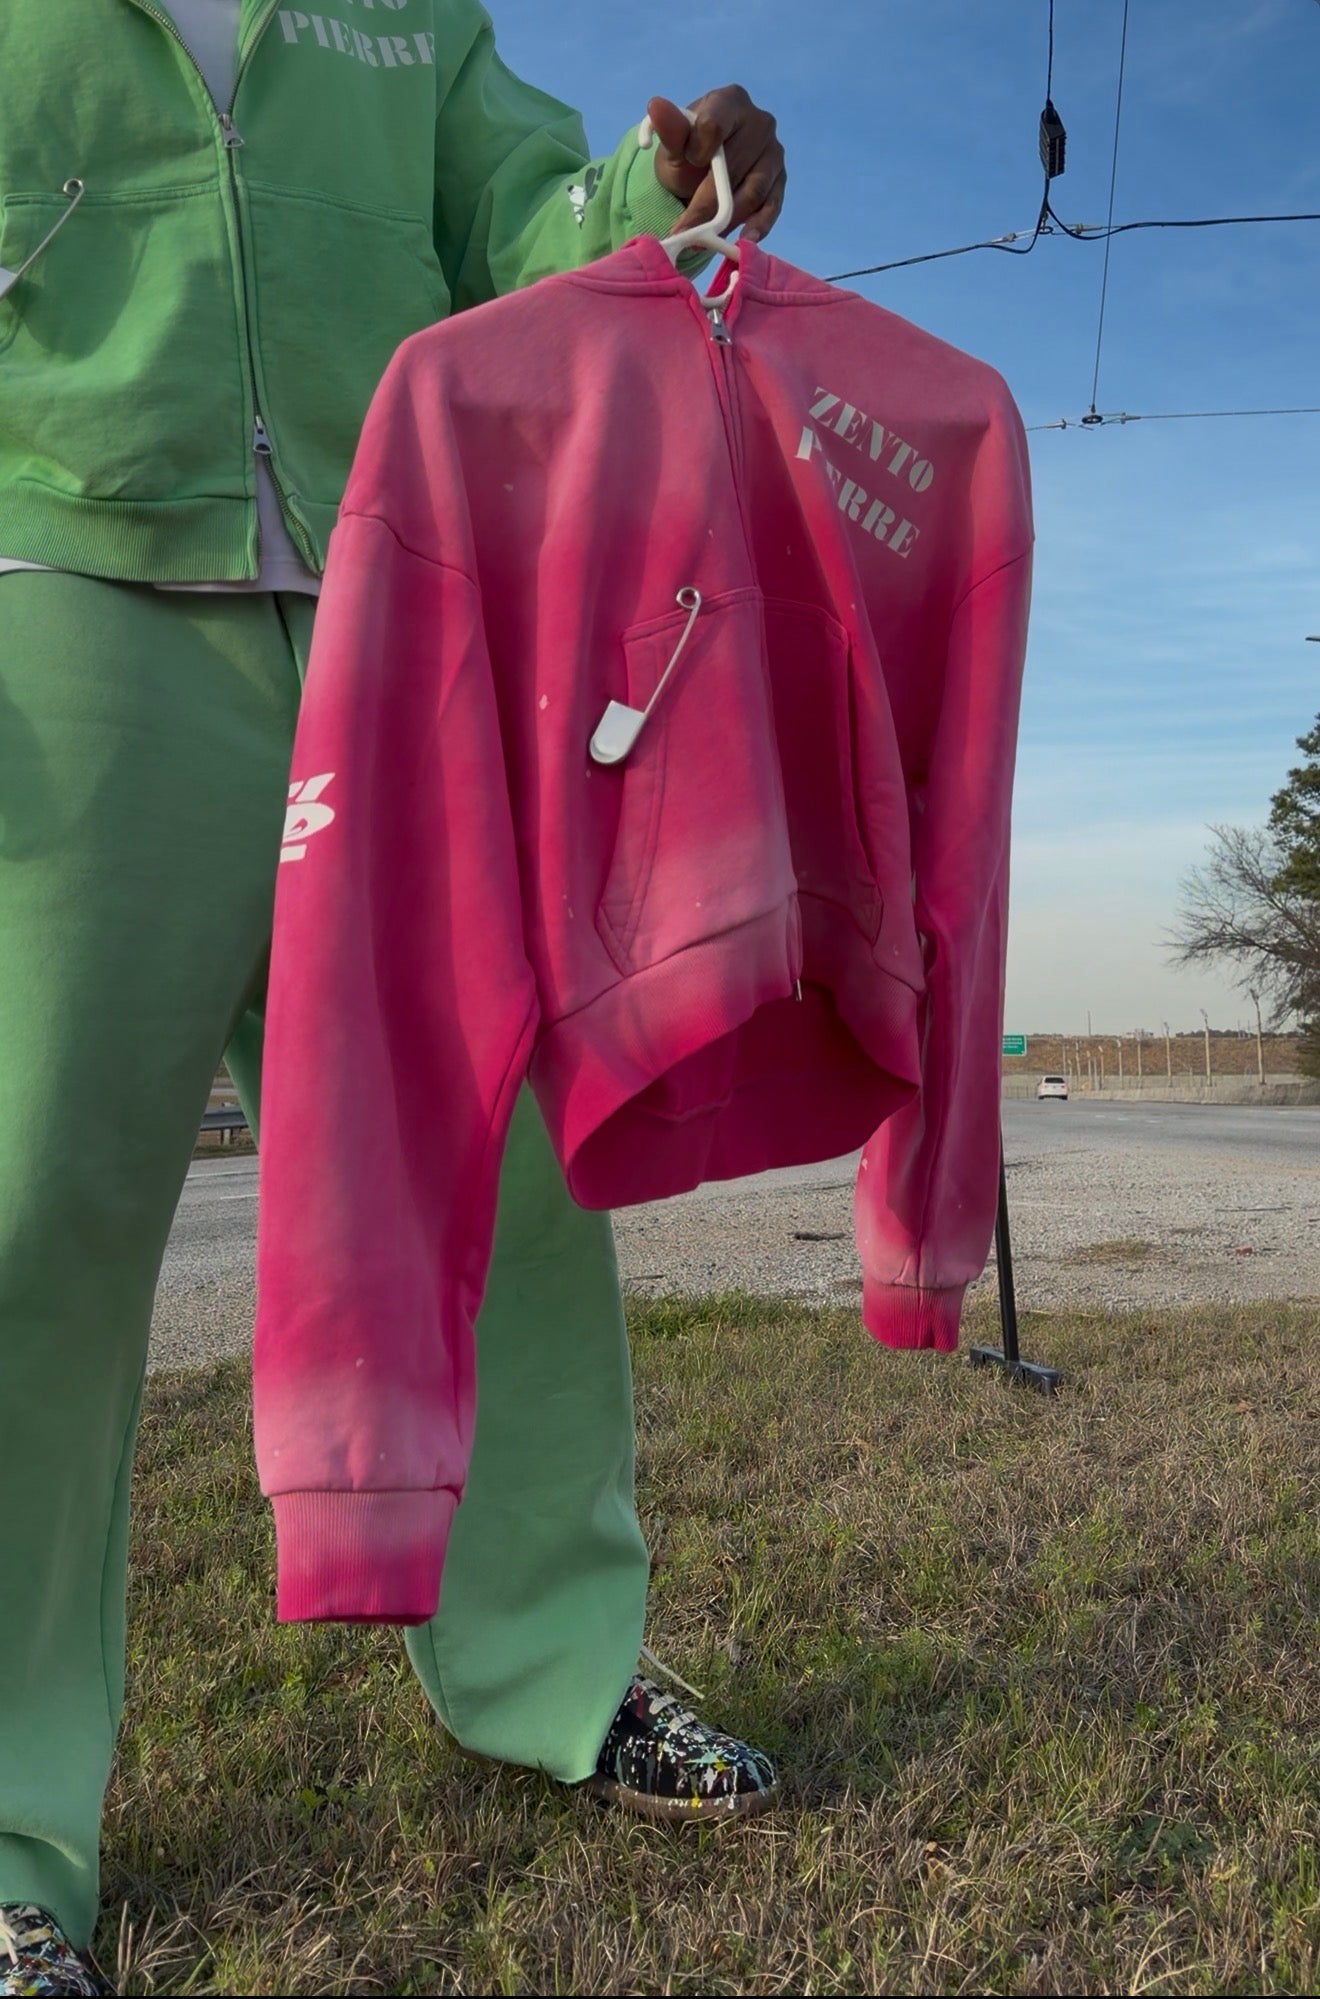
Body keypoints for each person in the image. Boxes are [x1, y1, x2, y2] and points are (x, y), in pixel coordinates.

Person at [0, 4, 785, 1991]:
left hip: (389, 582)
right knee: (39, 1209)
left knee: (502, 1157)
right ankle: (13, 1822)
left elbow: (520, 217)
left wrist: (646, 192)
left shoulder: (410, 11)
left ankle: (560, 1665)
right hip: (69, 594)